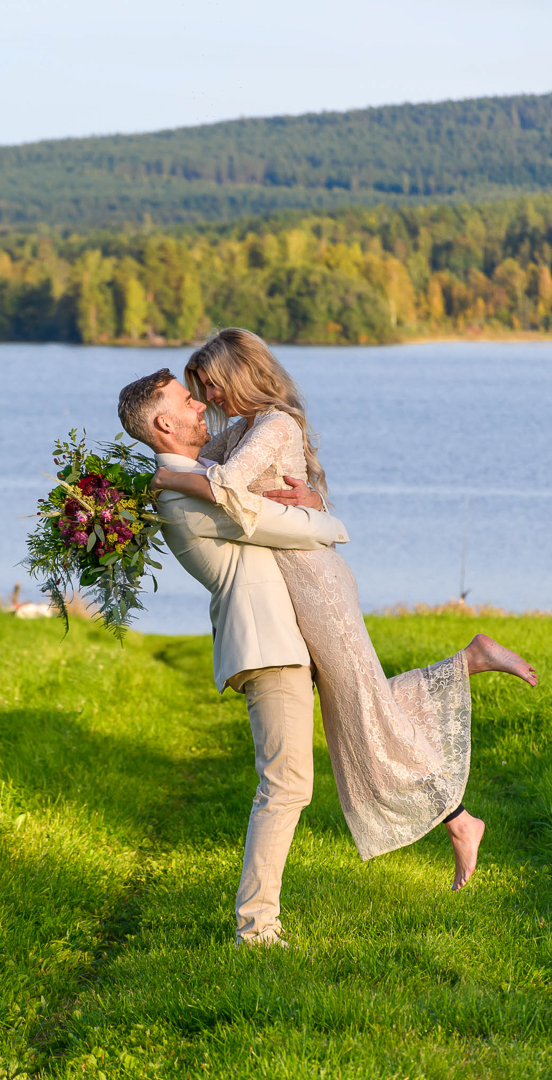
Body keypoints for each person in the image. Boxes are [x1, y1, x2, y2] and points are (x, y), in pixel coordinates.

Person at [152, 328, 538, 896]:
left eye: (209, 386)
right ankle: (459, 813)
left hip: (316, 582)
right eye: (198, 392)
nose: (207, 400)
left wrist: (166, 477)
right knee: (359, 707)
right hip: (295, 576)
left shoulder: (275, 424)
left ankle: (466, 705)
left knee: (361, 707)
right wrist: (146, 475)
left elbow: (228, 486)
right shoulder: (242, 429)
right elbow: (192, 461)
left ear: (238, 376)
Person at [117, 368, 349, 946]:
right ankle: (256, 927)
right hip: (264, 643)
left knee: (294, 776)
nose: (201, 408)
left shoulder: (201, 477)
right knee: (286, 785)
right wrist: (325, 515)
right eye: (187, 401)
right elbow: (284, 525)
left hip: (279, 638)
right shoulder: (182, 489)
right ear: (163, 422)